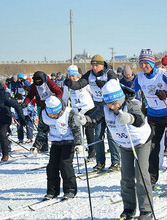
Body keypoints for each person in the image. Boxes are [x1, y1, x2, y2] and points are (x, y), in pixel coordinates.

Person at [74, 79, 154, 219]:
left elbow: (140, 119)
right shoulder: (105, 107)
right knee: (126, 178)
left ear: (121, 98)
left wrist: (129, 118)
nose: (112, 107)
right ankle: (129, 209)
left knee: (141, 176)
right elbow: (94, 120)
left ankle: (146, 210)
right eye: (109, 104)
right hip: (124, 144)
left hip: (140, 142)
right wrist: (84, 120)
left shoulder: (131, 104)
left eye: (115, 103)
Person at [132, 49, 167, 189]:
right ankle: (151, 178)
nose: (143, 66)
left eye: (146, 63)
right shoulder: (139, 77)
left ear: (151, 63)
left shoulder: (164, 74)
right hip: (153, 115)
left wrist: (165, 93)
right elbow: (131, 90)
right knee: (152, 148)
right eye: (141, 64)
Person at [64, 54, 121, 172]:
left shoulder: (109, 73)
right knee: (98, 135)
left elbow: (116, 85)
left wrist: (104, 85)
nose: (95, 68)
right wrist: (71, 84)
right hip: (98, 107)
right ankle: (100, 162)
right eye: (93, 65)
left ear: (102, 65)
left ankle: (115, 162)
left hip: (110, 106)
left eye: (97, 65)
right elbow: (80, 84)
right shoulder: (89, 74)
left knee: (111, 135)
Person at [30, 96, 81, 201]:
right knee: (51, 166)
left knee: (65, 164)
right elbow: (42, 132)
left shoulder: (69, 113)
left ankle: (70, 190)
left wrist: (78, 143)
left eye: (55, 114)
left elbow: (76, 129)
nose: (53, 116)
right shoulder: (44, 115)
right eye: (51, 114)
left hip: (69, 142)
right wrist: (36, 146)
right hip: (56, 142)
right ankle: (52, 191)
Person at [0, 78, 26, 164]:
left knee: (2, 136)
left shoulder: (4, 95)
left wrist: (21, 118)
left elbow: (16, 105)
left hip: (4, 120)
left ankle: (5, 155)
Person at [23, 71, 63, 152]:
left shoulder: (50, 83)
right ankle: (43, 146)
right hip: (44, 108)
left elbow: (59, 92)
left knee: (57, 126)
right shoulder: (34, 86)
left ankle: (60, 145)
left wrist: (56, 101)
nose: (38, 83)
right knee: (42, 128)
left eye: (39, 81)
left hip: (54, 107)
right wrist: (25, 102)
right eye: (36, 81)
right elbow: (30, 95)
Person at [62, 65, 95, 160]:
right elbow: (65, 97)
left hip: (88, 108)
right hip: (77, 110)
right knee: (78, 132)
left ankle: (92, 152)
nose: (71, 78)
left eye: (73, 75)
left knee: (89, 132)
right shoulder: (67, 84)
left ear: (78, 75)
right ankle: (80, 149)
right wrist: (63, 108)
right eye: (70, 75)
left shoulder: (83, 82)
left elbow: (92, 92)